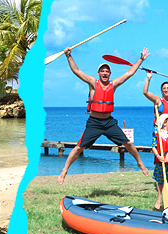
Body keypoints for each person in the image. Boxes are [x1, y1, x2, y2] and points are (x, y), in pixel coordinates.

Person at [56, 48, 151, 184]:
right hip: (94, 122)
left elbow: (129, 73)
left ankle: (140, 163)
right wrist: (69, 56)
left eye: (107, 71)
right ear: (98, 73)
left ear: (110, 73)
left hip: (109, 123)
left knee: (128, 143)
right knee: (78, 148)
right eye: (102, 70)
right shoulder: (93, 83)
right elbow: (76, 71)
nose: (105, 73)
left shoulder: (114, 84)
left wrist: (141, 59)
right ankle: (64, 171)